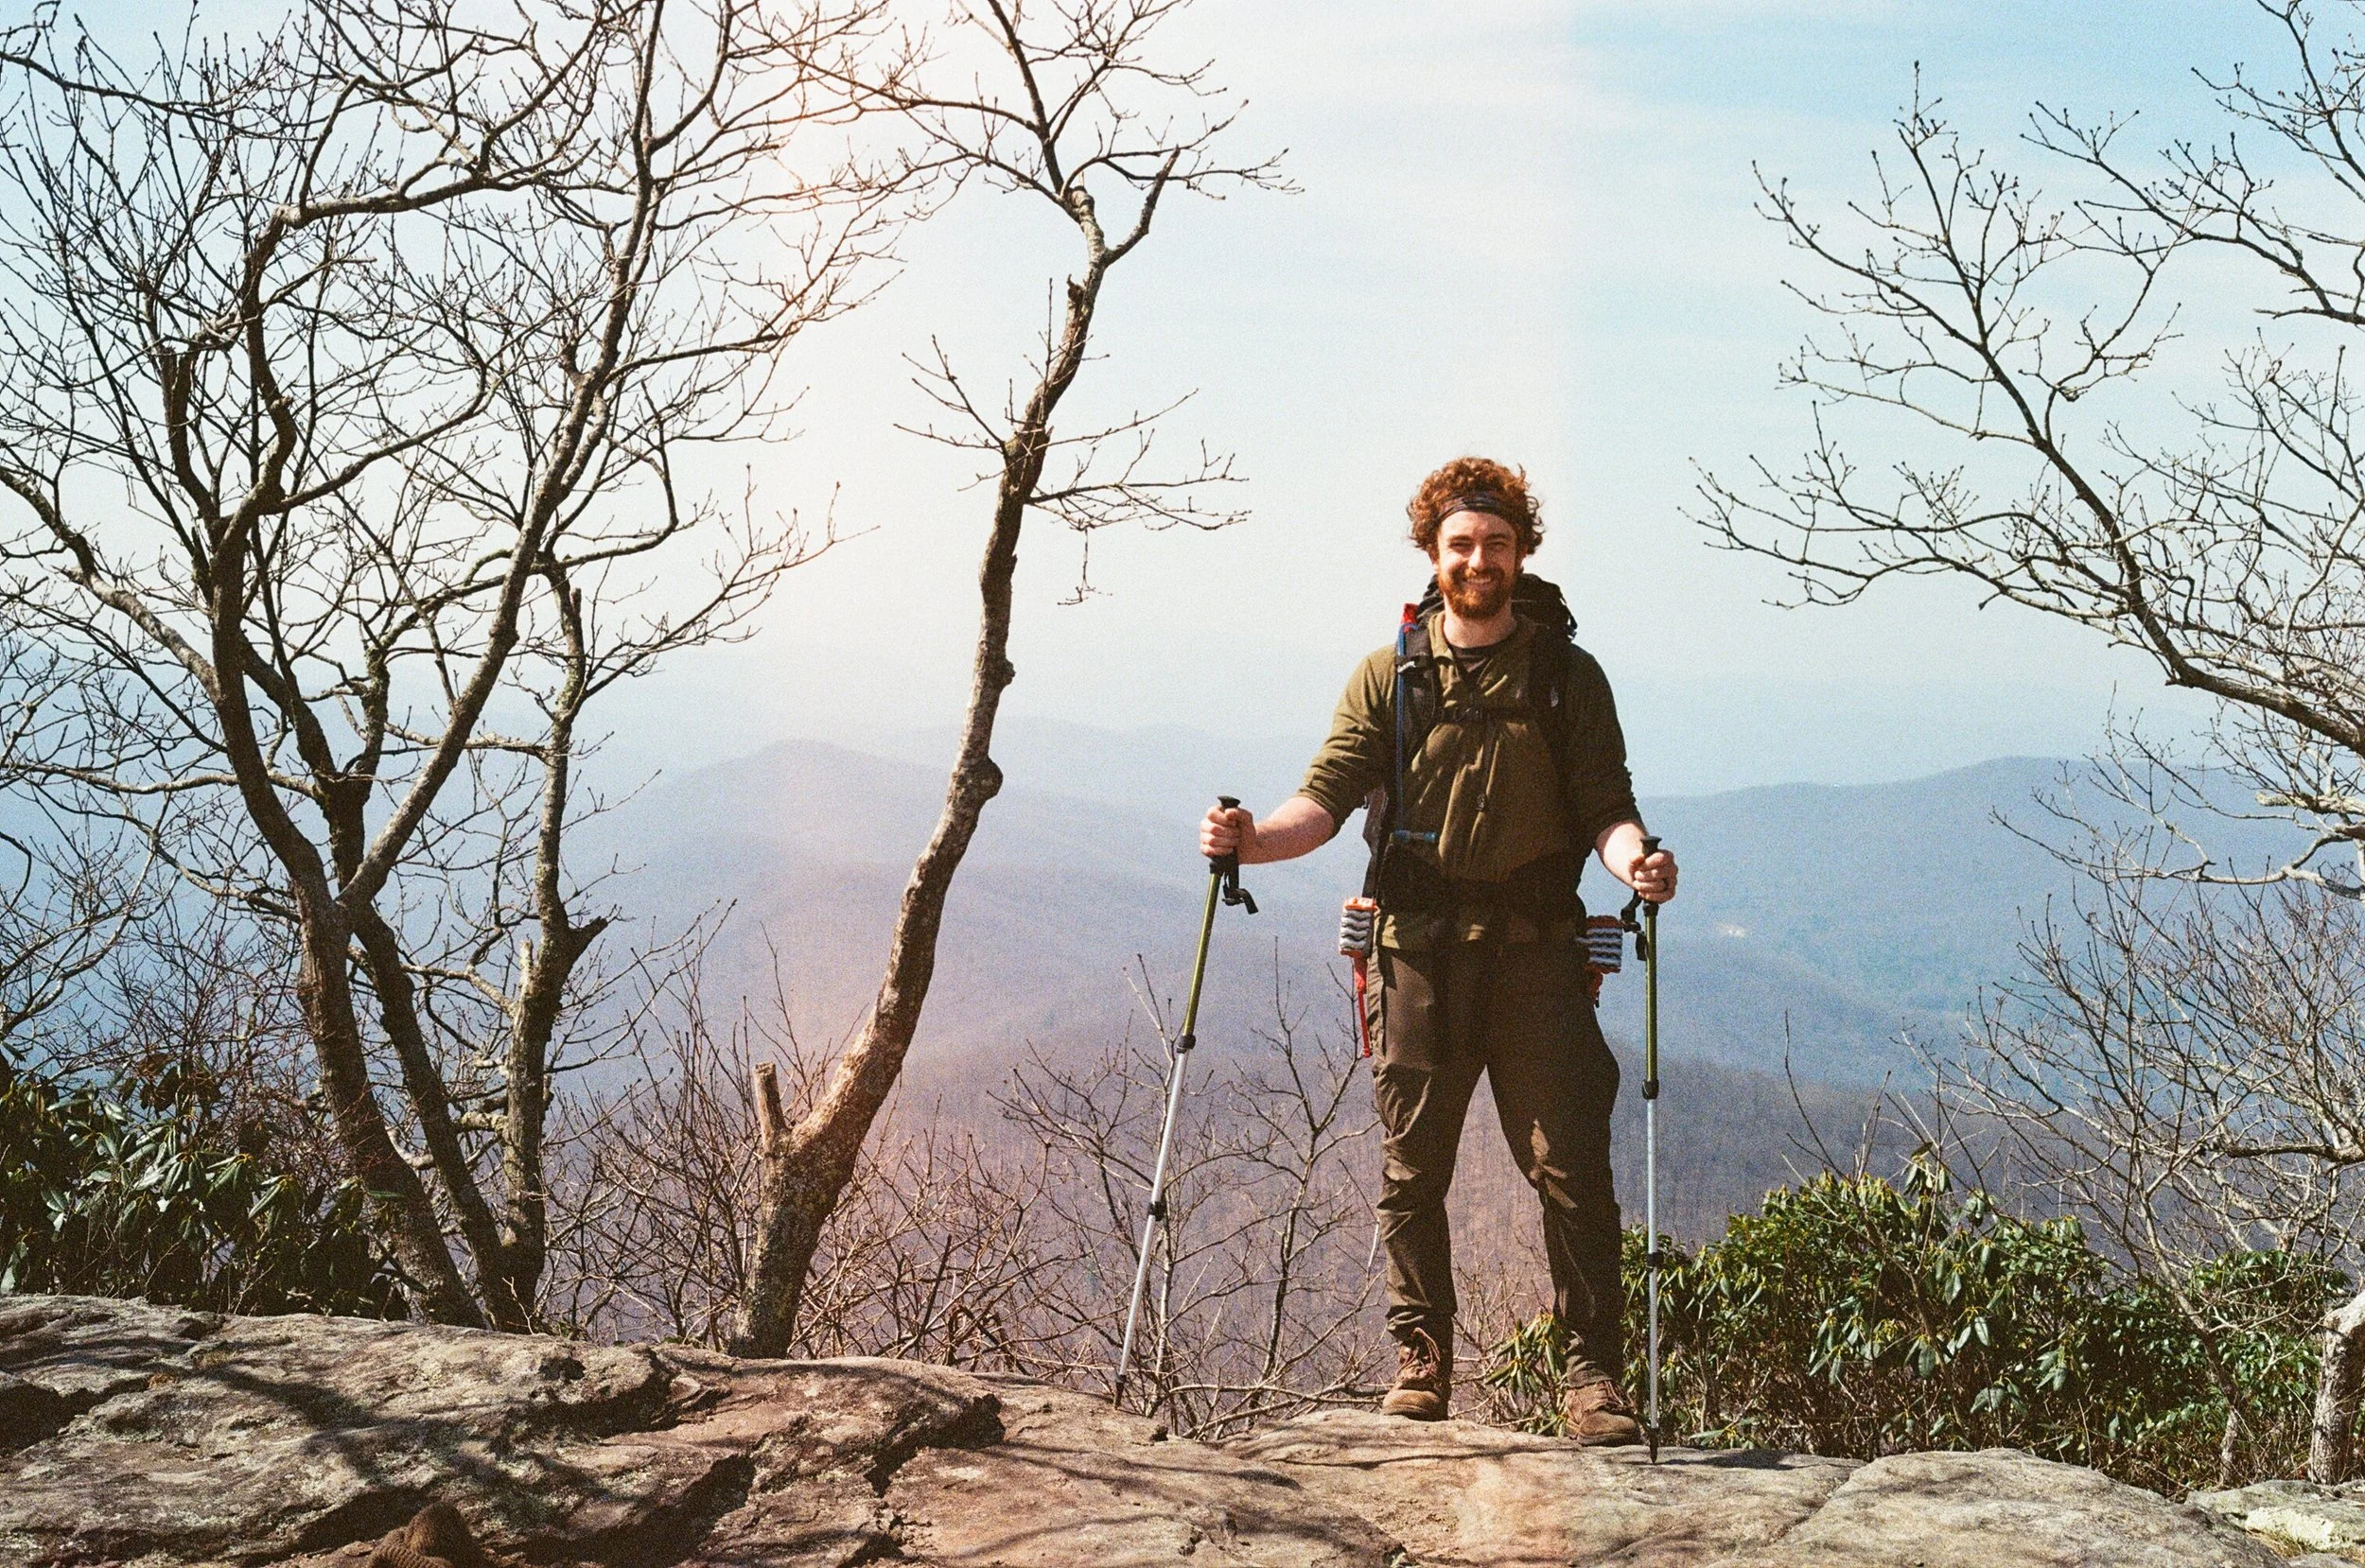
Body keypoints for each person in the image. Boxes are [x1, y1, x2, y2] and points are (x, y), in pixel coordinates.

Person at [1200, 457, 1677, 1440]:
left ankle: (1592, 1379)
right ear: (1433, 552)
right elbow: (1323, 800)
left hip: (1536, 953)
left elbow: (1607, 806)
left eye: (1495, 542)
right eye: (1461, 543)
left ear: (1519, 551)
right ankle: (1420, 1362)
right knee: (1411, 1166)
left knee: (1569, 1165)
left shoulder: (1565, 677)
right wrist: (1250, 838)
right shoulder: (1391, 673)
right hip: (1414, 950)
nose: (1478, 558)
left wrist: (1638, 864)